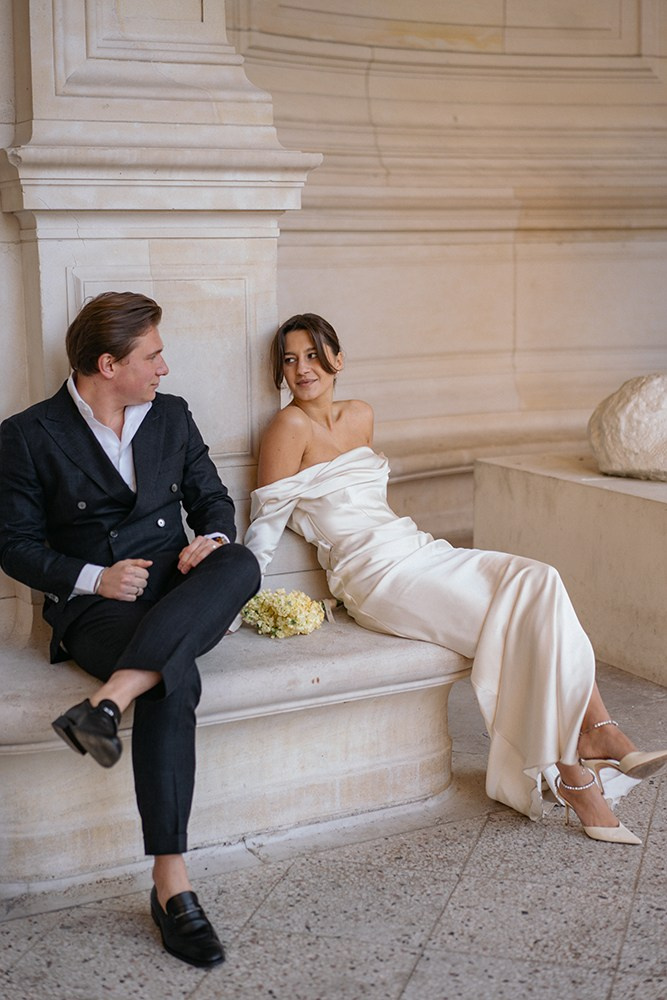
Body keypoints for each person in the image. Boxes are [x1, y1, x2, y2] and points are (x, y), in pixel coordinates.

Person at [244, 312, 667, 845]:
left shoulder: (361, 415)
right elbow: (268, 520)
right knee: (521, 620)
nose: (302, 369)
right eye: (289, 359)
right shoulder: (288, 427)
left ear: (338, 359)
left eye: (312, 355)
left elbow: (372, 504)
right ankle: (586, 762)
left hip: (414, 548)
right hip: (375, 576)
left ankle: (592, 746)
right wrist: (239, 589)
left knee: (540, 579)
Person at [0, 292, 260, 967]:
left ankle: (106, 703)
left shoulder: (170, 417)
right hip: (96, 608)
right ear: (107, 363)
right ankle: (172, 887)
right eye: (151, 356)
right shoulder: (27, 434)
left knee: (239, 563)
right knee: (176, 681)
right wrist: (94, 577)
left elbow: (212, 497)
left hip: (179, 581)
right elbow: (15, 545)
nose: (165, 368)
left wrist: (208, 537)